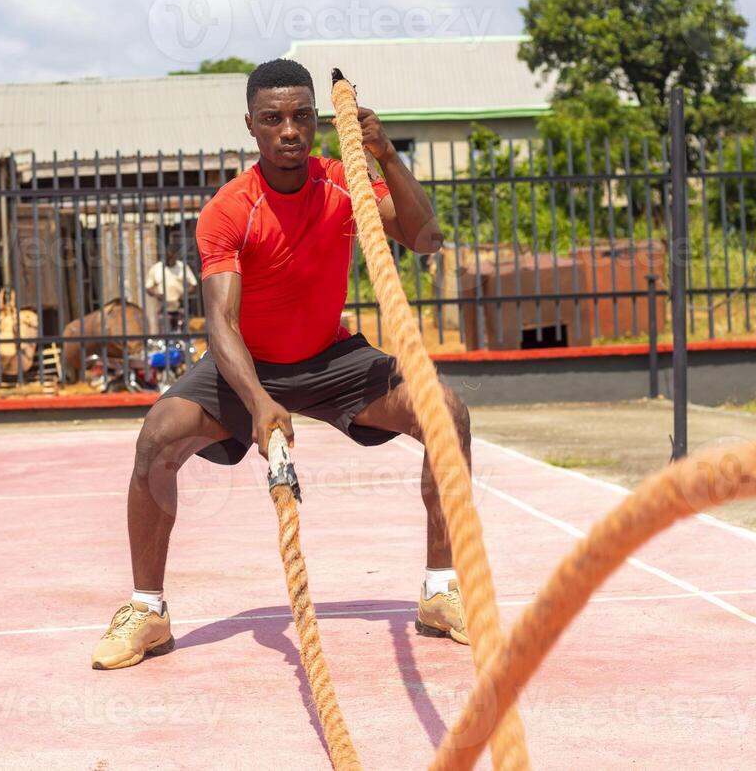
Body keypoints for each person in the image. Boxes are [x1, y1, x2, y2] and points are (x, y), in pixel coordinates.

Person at [92, 59, 471, 671]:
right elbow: (221, 323)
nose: (289, 130)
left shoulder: (344, 182)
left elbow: (425, 238)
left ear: (317, 122)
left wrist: (387, 156)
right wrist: (261, 401)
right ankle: (147, 609)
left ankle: (440, 590)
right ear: (251, 125)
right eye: (273, 119)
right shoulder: (229, 209)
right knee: (156, 441)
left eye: (301, 117)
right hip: (247, 366)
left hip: (329, 358)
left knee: (446, 413)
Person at [144, 246, 197, 331]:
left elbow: (193, 285)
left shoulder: (182, 267)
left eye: (172, 257)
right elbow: (148, 287)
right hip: (163, 306)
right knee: (164, 331)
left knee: (181, 331)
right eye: (168, 258)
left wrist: (184, 295)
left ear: (176, 256)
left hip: (180, 305)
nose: (170, 260)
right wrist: (157, 295)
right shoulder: (157, 268)